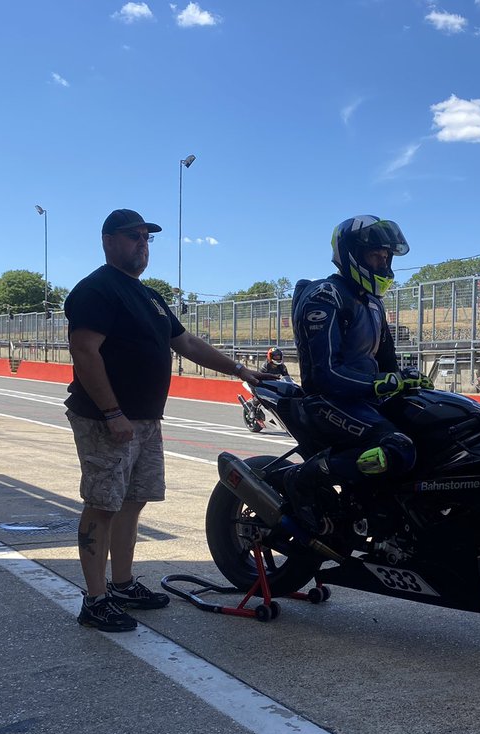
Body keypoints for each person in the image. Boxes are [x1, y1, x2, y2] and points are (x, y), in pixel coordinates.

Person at [65, 208, 266, 632]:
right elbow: (84, 351)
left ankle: (121, 584)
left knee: (132, 502)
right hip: (107, 420)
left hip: (145, 419)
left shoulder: (149, 297)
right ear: (108, 241)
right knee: (102, 505)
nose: (142, 244)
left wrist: (239, 370)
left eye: (146, 237)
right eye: (133, 236)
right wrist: (112, 412)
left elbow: (187, 342)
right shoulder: (96, 290)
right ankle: (95, 600)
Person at [287, 215, 426, 535]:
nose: (383, 263)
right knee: (398, 448)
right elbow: (326, 373)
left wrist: (408, 380)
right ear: (352, 253)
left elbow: (387, 364)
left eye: (386, 257)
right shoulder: (326, 294)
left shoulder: (373, 303)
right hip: (327, 399)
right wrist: (378, 383)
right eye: (376, 256)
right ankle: (302, 479)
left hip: (364, 400)